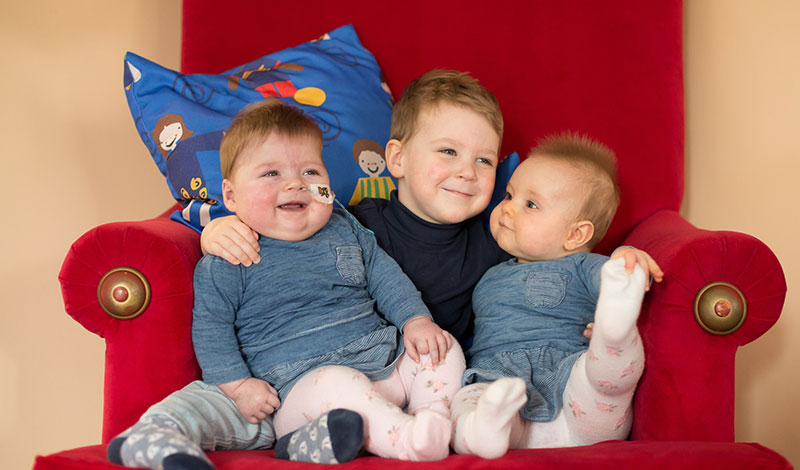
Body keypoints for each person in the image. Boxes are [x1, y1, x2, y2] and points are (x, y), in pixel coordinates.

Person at [108, 100, 465, 470]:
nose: (296, 183)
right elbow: (212, 329)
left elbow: (386, 278)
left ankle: (431, 416)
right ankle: (408, 440)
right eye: (271, 174)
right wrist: (238, 385)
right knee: (334, 385)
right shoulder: (232, 253)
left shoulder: (345, 227)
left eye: (311, 172)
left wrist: (416, 321)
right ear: (231, 197)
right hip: (298, 390)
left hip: (384, 364)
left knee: (441, 347)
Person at [203, 69, 510, 346]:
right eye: (448, 151)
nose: (468, 171)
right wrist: (217, 230)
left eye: (485, 160)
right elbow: (283, 226)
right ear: (397, 159)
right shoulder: (351, 223)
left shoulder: (490, 246)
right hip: (338, 360)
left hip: (427, 376)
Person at [450, 133, 664, 459]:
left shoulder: (581, 265)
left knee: (596, 382)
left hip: (571, 396)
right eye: (509, 195)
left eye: (530, 204)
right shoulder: (489, 274)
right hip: (500, 383)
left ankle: (614, 340)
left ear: (576, 235)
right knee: (467, 401)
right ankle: (487, 427)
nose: (507, 208)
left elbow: (608, 274)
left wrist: (625, 258)